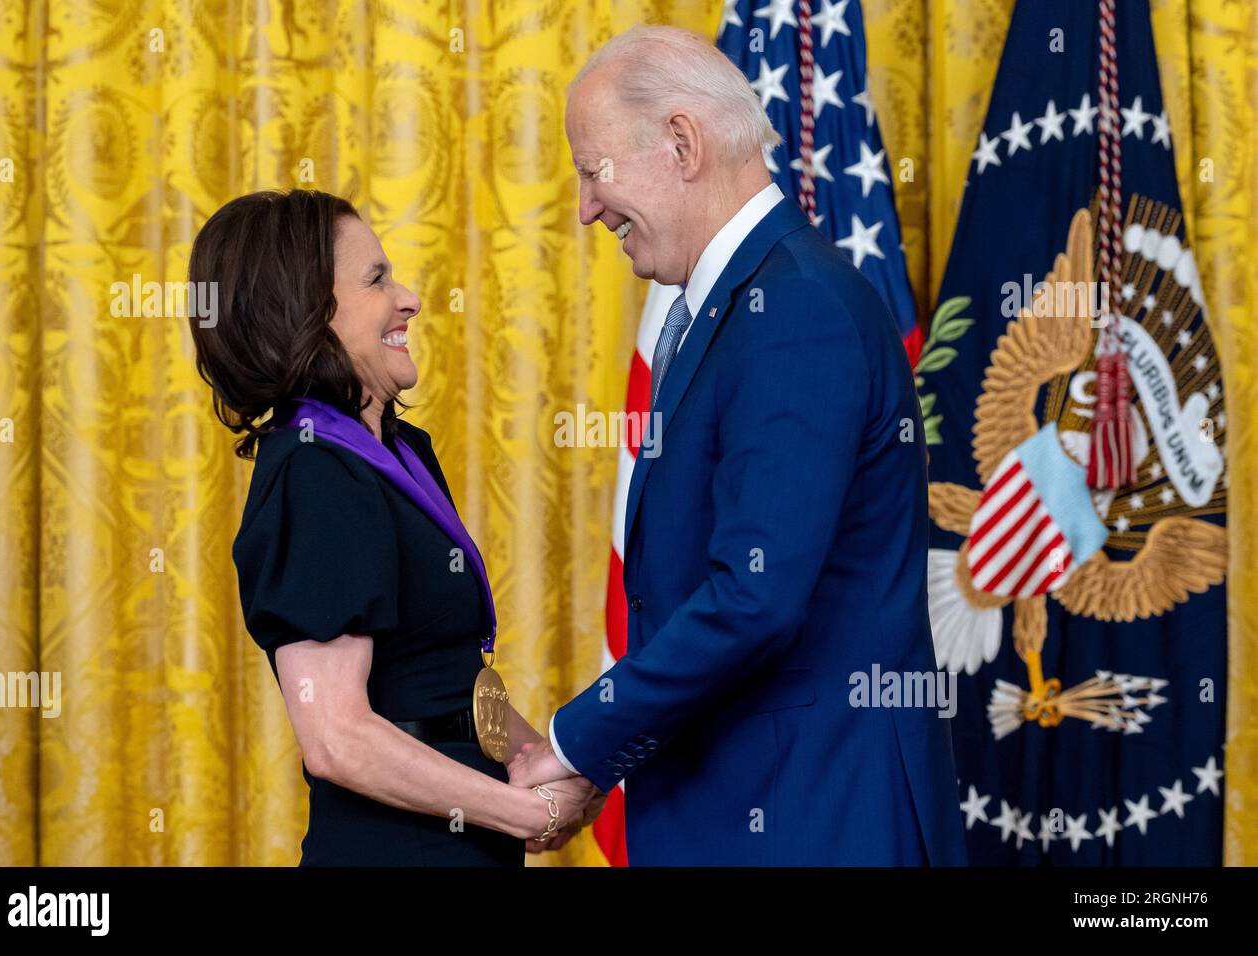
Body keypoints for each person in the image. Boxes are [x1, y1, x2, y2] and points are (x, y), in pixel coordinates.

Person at [508, 25, 968, 866]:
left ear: (681, 142)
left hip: (814, 819)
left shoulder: (795, 310)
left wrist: (574, 747)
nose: (586, 207)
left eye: (591, 169)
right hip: (749, 808)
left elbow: (755, 601)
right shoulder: (745, 301)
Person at [187, 189, 598, 865]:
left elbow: (441, 683)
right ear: (307, 313)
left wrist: (548, 759)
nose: (407, 298)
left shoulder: (401, 449)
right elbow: (336, 738)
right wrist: (524, 810)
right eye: (377, 280)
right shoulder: (316, 473)